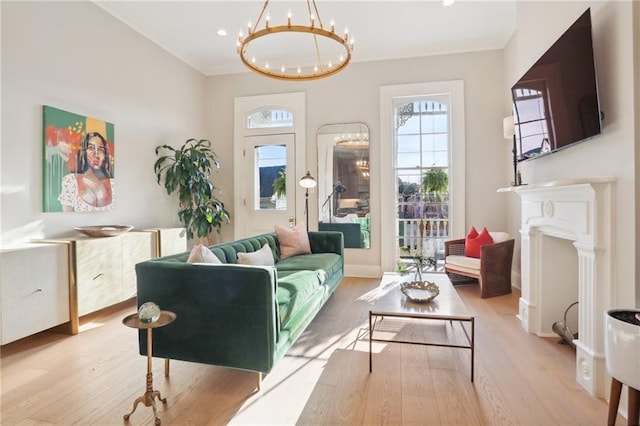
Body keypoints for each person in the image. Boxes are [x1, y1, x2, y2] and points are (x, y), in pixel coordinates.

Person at [58, 131, 115, 212]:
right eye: (91, 148)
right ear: (84, 152)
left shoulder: (114, 184)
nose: (96, 154)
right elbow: (66, 218)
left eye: (100, 149)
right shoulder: (71, 181)